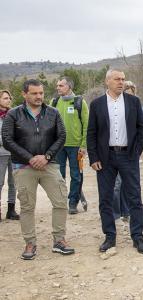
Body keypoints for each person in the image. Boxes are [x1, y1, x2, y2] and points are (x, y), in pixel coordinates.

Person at [2, 79, 75, 260]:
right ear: (24, 94)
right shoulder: (13, 114)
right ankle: (30, 243)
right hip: (23, 167)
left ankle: (59, 240)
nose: (39, 97)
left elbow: (61, 136)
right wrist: (30, 158)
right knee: (27, 206)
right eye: (34, 93)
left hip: (49, 165)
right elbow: (7, 140)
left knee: (60, 201)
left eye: (41, 93)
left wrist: (47, 156)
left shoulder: (53, 113)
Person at [87, 69, 143, 254]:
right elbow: (91, 133)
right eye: (117, 79)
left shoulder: (134, 102)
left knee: (134, 197)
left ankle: (138, 237)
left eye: (123, 79)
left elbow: (141, 128)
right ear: (108, 82)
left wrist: (136, 151)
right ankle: (110, 237)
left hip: (128, 155)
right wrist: (93, 157)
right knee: (105, 198)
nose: (121, 82)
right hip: (105, 158)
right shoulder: (97, 104)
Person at [113, 80, 143, 222]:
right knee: (116, 185)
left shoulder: (138, 106)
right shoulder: (114, 106)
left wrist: (138, 145)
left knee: (127, 184)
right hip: (114, 151)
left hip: (131, 151)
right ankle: (115, 214)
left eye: (130, 92)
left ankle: (126, 212)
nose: (128, 94)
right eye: (125, 91)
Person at [51, 77, 89, 214]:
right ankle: (61, 202)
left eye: (61, 85)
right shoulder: (54, 102)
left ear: (69, 86)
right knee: (58, 176)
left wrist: (83, 145)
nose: (58, 88)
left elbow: (86, 125)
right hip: (58, 146)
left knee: (76, 175)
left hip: (76, 147)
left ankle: (73, 202)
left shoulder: (79, 102)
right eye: (57, 85)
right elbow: (50, 125)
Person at [0, 90, 19, 221]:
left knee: (14, 182)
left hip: (14, 153)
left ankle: (11, 210)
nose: (8, 100)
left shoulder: (13, 115)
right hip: (1, 153)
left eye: (9, 98)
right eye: (5, 98)